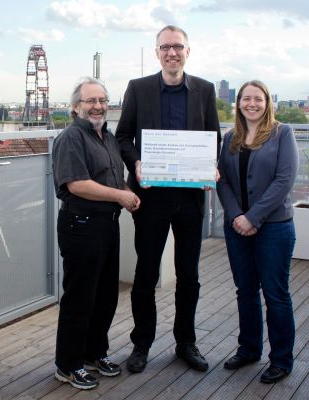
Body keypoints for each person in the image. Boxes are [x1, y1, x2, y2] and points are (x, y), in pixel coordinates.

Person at [115, 25, 221, 373]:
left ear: (188, 51)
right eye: (165, 47)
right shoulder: (138, 88)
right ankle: (142, 344)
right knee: (145, 273)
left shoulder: (204, 90)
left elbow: (212, 138)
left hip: (191, 198)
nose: (171, 53)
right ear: (156, 51)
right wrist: (137, 164)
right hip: (152, 197)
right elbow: (123, 137)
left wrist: (211, 169)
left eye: (178, 47)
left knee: (189, 275)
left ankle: (185, 343)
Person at [52, 77, 141, 390]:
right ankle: (69, 364)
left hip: (106, 225)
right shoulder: (71, 138)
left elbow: (113, 178)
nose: (98, 106)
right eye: (91, 101)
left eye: (102, 100)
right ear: (76, 107)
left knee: (104, 296)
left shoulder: (107, 136)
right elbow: (78, 184)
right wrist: (120, 197)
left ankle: (94, 354)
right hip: (82, 226)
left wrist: (129, 191)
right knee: (80, 299)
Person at [216, 80, 298, 384]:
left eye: (258, 99)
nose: (252, 104)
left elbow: (284, 180)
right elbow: (222, 180)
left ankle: (281, 359)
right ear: (238, 103)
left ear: (267, 103)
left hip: (274, 227)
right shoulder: (230, 137)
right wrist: (237, 215)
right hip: (236, 226)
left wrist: (252, 217)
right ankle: (249, 349)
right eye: (246, 99)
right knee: (245, 291)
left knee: (276, 294)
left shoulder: (282, 132)